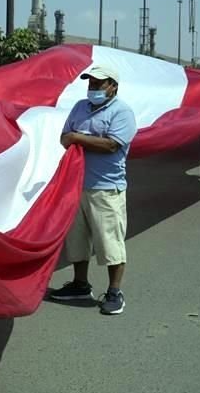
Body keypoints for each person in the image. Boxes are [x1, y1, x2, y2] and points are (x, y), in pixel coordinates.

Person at [50, 66, 137, 316]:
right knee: (77, 241)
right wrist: (77, 137)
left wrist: (78, 137)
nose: (93, 89)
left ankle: (114, 292)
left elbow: (111, 144)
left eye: (99, 84)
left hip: (106, 188)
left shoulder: (122, 112)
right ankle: (80, 284)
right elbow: (64, 136)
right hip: (77, 185)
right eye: (91, 84)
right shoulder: (80, 107)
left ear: (113, 86)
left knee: (110, 243)